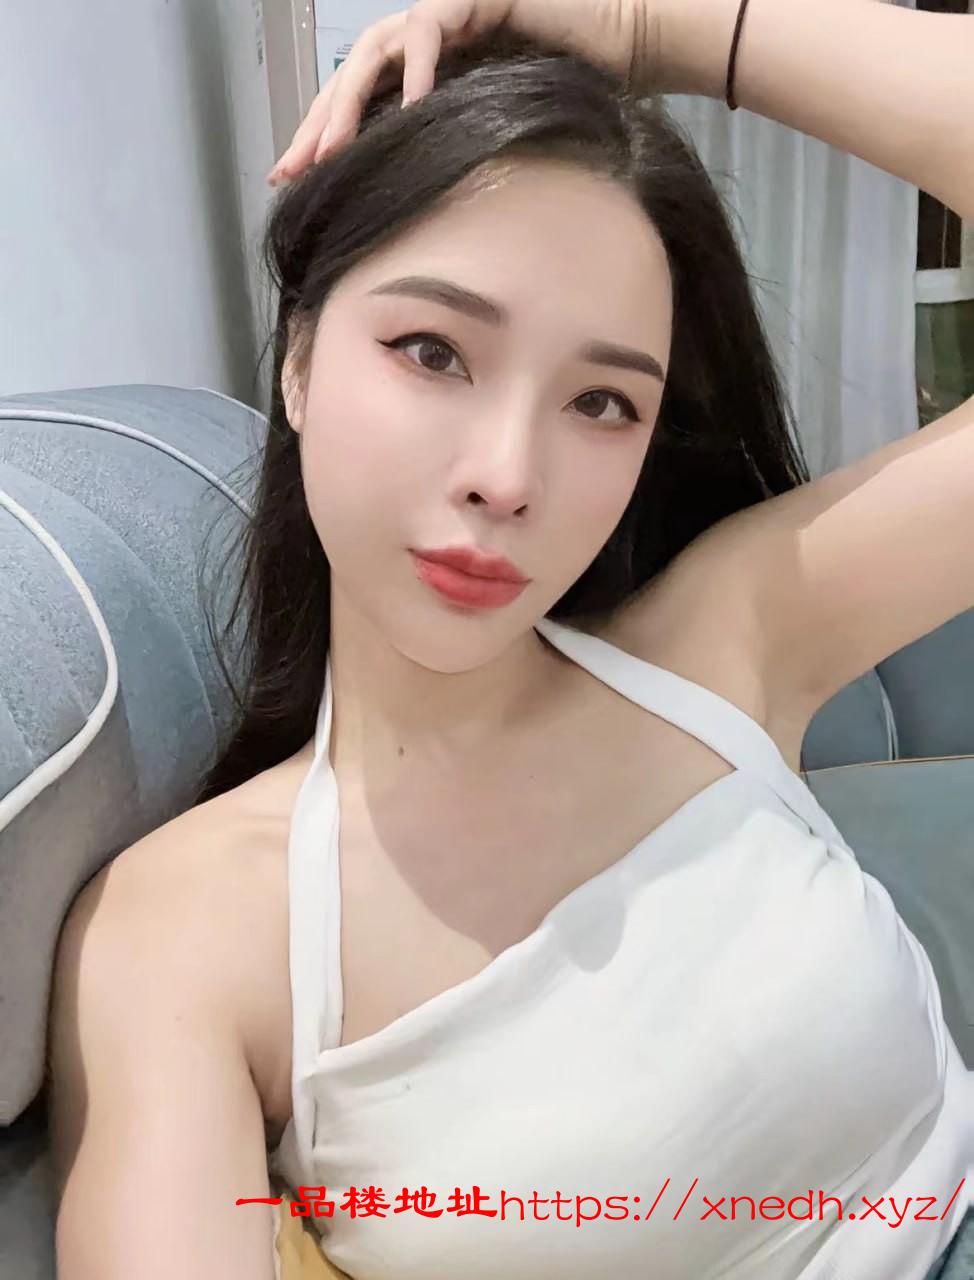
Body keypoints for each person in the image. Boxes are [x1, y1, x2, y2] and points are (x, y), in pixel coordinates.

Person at [47, 2, 974, 1278]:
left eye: (600, 401)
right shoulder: (188, 932)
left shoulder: (720, 643)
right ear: (300, 359)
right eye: (432, 350)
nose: (507, 476)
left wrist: (647, 26)